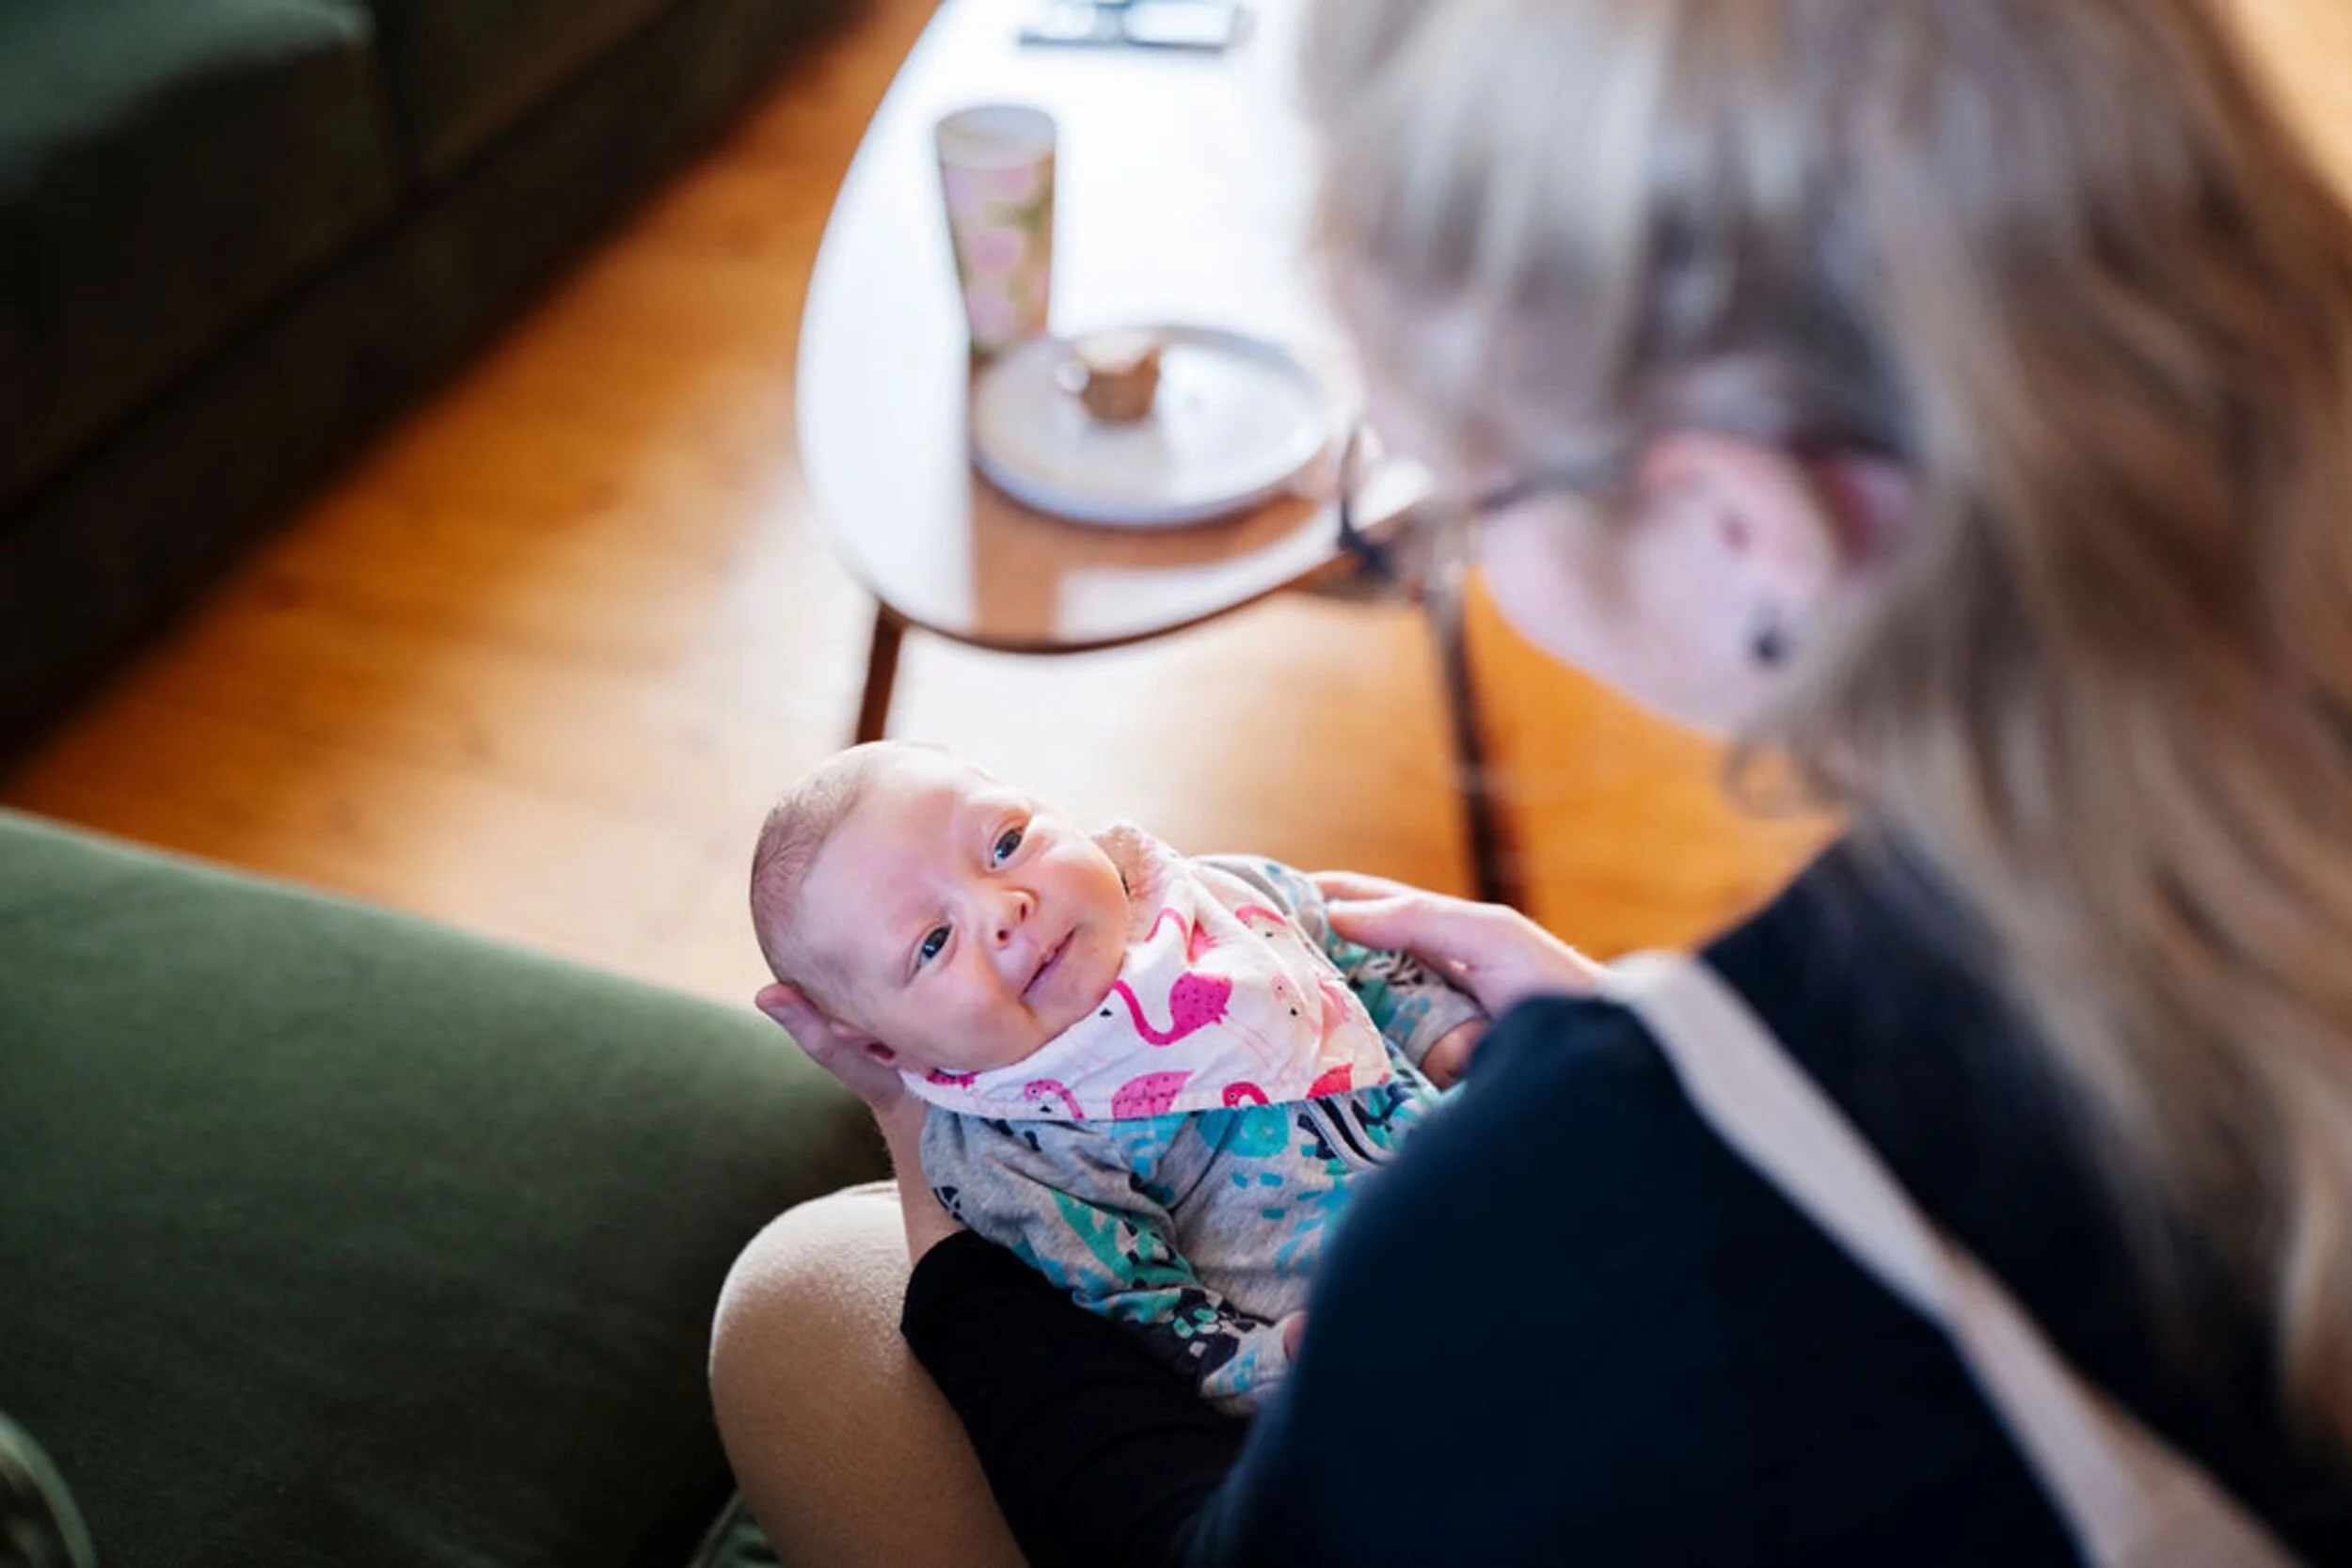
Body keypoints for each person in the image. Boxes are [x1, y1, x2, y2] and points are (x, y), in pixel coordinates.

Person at [710, 0, 2352, 1561]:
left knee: (800, 1302)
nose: (1450, 541)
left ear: (1741, 529)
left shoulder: (1574, 1222)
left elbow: (1195, 1544)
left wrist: (927, 1144)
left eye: (1442, 480)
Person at [745, 741, 1482, 1413]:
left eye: (1006, 844)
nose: (1006, 909)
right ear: (882, 1050)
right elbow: (1141, 1303)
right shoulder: (1016, 1149)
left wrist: (1445, 1031)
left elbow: (1339, 945)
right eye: (933, 943)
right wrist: (1266, 1359)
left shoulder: (1207, 896)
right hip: (1386, 1340)